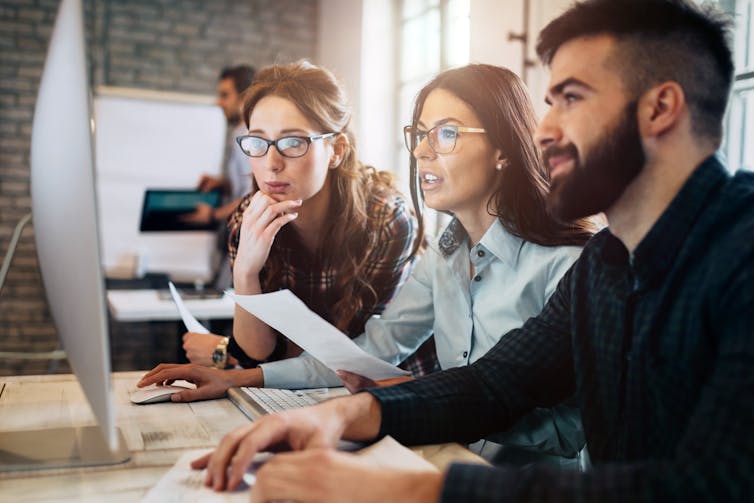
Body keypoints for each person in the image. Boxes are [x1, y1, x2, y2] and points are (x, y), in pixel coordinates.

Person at [190, 0, 754, 501]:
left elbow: (711, 483)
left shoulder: (741, 253)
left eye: (572, 98)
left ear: (660, 108)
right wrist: (345, 414)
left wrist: (420, 489)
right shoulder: (607, 263)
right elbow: (495, 384)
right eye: (550, 101)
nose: (544, 129)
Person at [140, 64, 594, 466]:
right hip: (441, 461)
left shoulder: (569, 267)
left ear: (504, 148)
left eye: (447, 133)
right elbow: (372, 351)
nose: (421, 152)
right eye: (419, 134)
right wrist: (239, 378)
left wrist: (417, 407)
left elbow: (568, 428)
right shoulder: (444, 258)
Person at [151, 60, 429, 376]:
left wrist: (223, 352)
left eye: (293, 141)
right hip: (301, 390)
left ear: (336, 149)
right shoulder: (247, 218)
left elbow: (349, 355)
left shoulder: (384, 220)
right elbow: (258, 351)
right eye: (257, 142)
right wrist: (246, 271)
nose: (271, 163)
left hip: (394, 392)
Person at [181, 64, 256, 364]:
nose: (219, 102)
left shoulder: (248, 136)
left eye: (225, 95)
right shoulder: (238, 133)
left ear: (244, 96)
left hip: (241, 241)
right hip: (232, 240)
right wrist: (221, 183)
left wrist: (212, 214)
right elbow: (242, 185)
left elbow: (252, 194)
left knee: (227, 320)